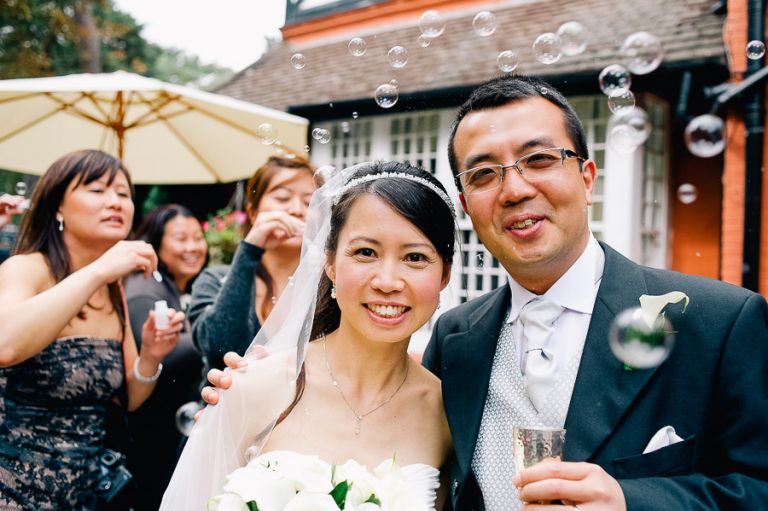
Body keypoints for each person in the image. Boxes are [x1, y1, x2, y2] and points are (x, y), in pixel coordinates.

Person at [206, 75, 768, 511]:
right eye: (483, 174)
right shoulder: (456, 340)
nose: (516, 188)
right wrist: (255, 393)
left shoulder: (716, 323)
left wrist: (632, 500)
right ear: (468, 204)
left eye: (540, 159)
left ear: (587, 176)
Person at [161, 161, 456, 510]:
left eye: (415, 257)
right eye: (365, 252)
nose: (388, 282)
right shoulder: (254, 386)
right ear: (329, 261)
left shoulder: (448, 413)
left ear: (445, 275)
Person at [0, 149, 184, 509]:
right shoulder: (27, 269)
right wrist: (98, 270)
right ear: (57, 207)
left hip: (86, 492)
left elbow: (129, 398)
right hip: (13, 489)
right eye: (97, 191)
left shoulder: (113, 287)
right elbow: (5, 345)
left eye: (123, 193)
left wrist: (150, 355)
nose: (114, 202)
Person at [188, 155, 316, 371]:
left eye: (310, 201)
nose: (296, 209)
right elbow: (218, 348)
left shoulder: (331, 286)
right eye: (283, 198)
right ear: (253, 213)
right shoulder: (215, 280)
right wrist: (250, 248)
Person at [123, 204, 207, 510]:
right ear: (156, 244)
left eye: (198, 237)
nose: (193, 247)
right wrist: (211, 335)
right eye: (181, 238)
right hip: (150, 440)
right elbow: (160, 355)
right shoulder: (145, 291)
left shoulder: (172, 286)